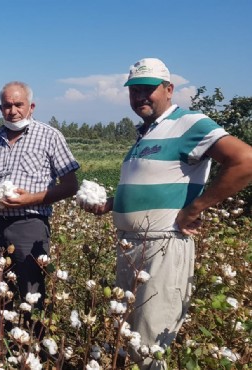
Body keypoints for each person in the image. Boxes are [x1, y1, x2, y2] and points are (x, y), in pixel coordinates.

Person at [80, 58, 252, 369]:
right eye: (134, 90)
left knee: (149, 338)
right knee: (127, 331)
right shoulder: (144, 134)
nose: (140, 96)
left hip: (162, 245)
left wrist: (196, 208)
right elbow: (147, 187)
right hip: (131, 245)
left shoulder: (191, 123)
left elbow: (246, 161)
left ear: (169, 89)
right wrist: (109, 204)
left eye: (148, 89)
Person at [0, 81, 80, 324]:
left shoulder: (50, 136)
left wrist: (29, 199)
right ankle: (0, 346)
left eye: (18, 104)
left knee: (31, 290)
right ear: (0, 109)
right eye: (7, 106)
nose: (13, 111)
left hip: (30, 224)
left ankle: (31, 348)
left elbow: (71, 185)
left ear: (31, 106)